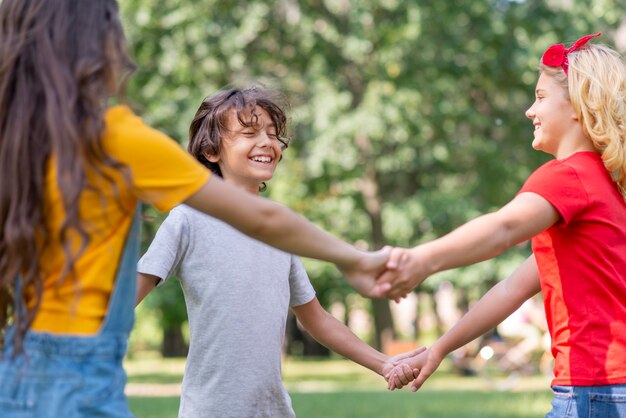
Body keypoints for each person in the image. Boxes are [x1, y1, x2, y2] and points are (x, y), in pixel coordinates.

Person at [0, 2, 394, 416]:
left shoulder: (15, 146)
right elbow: (263, 220)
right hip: (80, 368)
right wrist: (355, 259)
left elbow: (311, 311)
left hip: (16, 363)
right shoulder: (115, 139)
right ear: (97, 48)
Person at [136, 87, 423, 417]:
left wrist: (385, 364)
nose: (267, 142)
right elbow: (129, 293)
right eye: (249, 133)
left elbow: (317, 319)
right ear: (211, 151)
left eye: (273, 134)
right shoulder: (187, 220)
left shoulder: (279, 232)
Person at [383, 33, 626, 417]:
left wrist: (420, 260)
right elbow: (512, 288)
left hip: (595, 392)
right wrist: (441, 347)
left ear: (579, 106)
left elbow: (503, 229)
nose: (530, 110)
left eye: (541, 97)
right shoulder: (601, 186)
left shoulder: (567, 177)